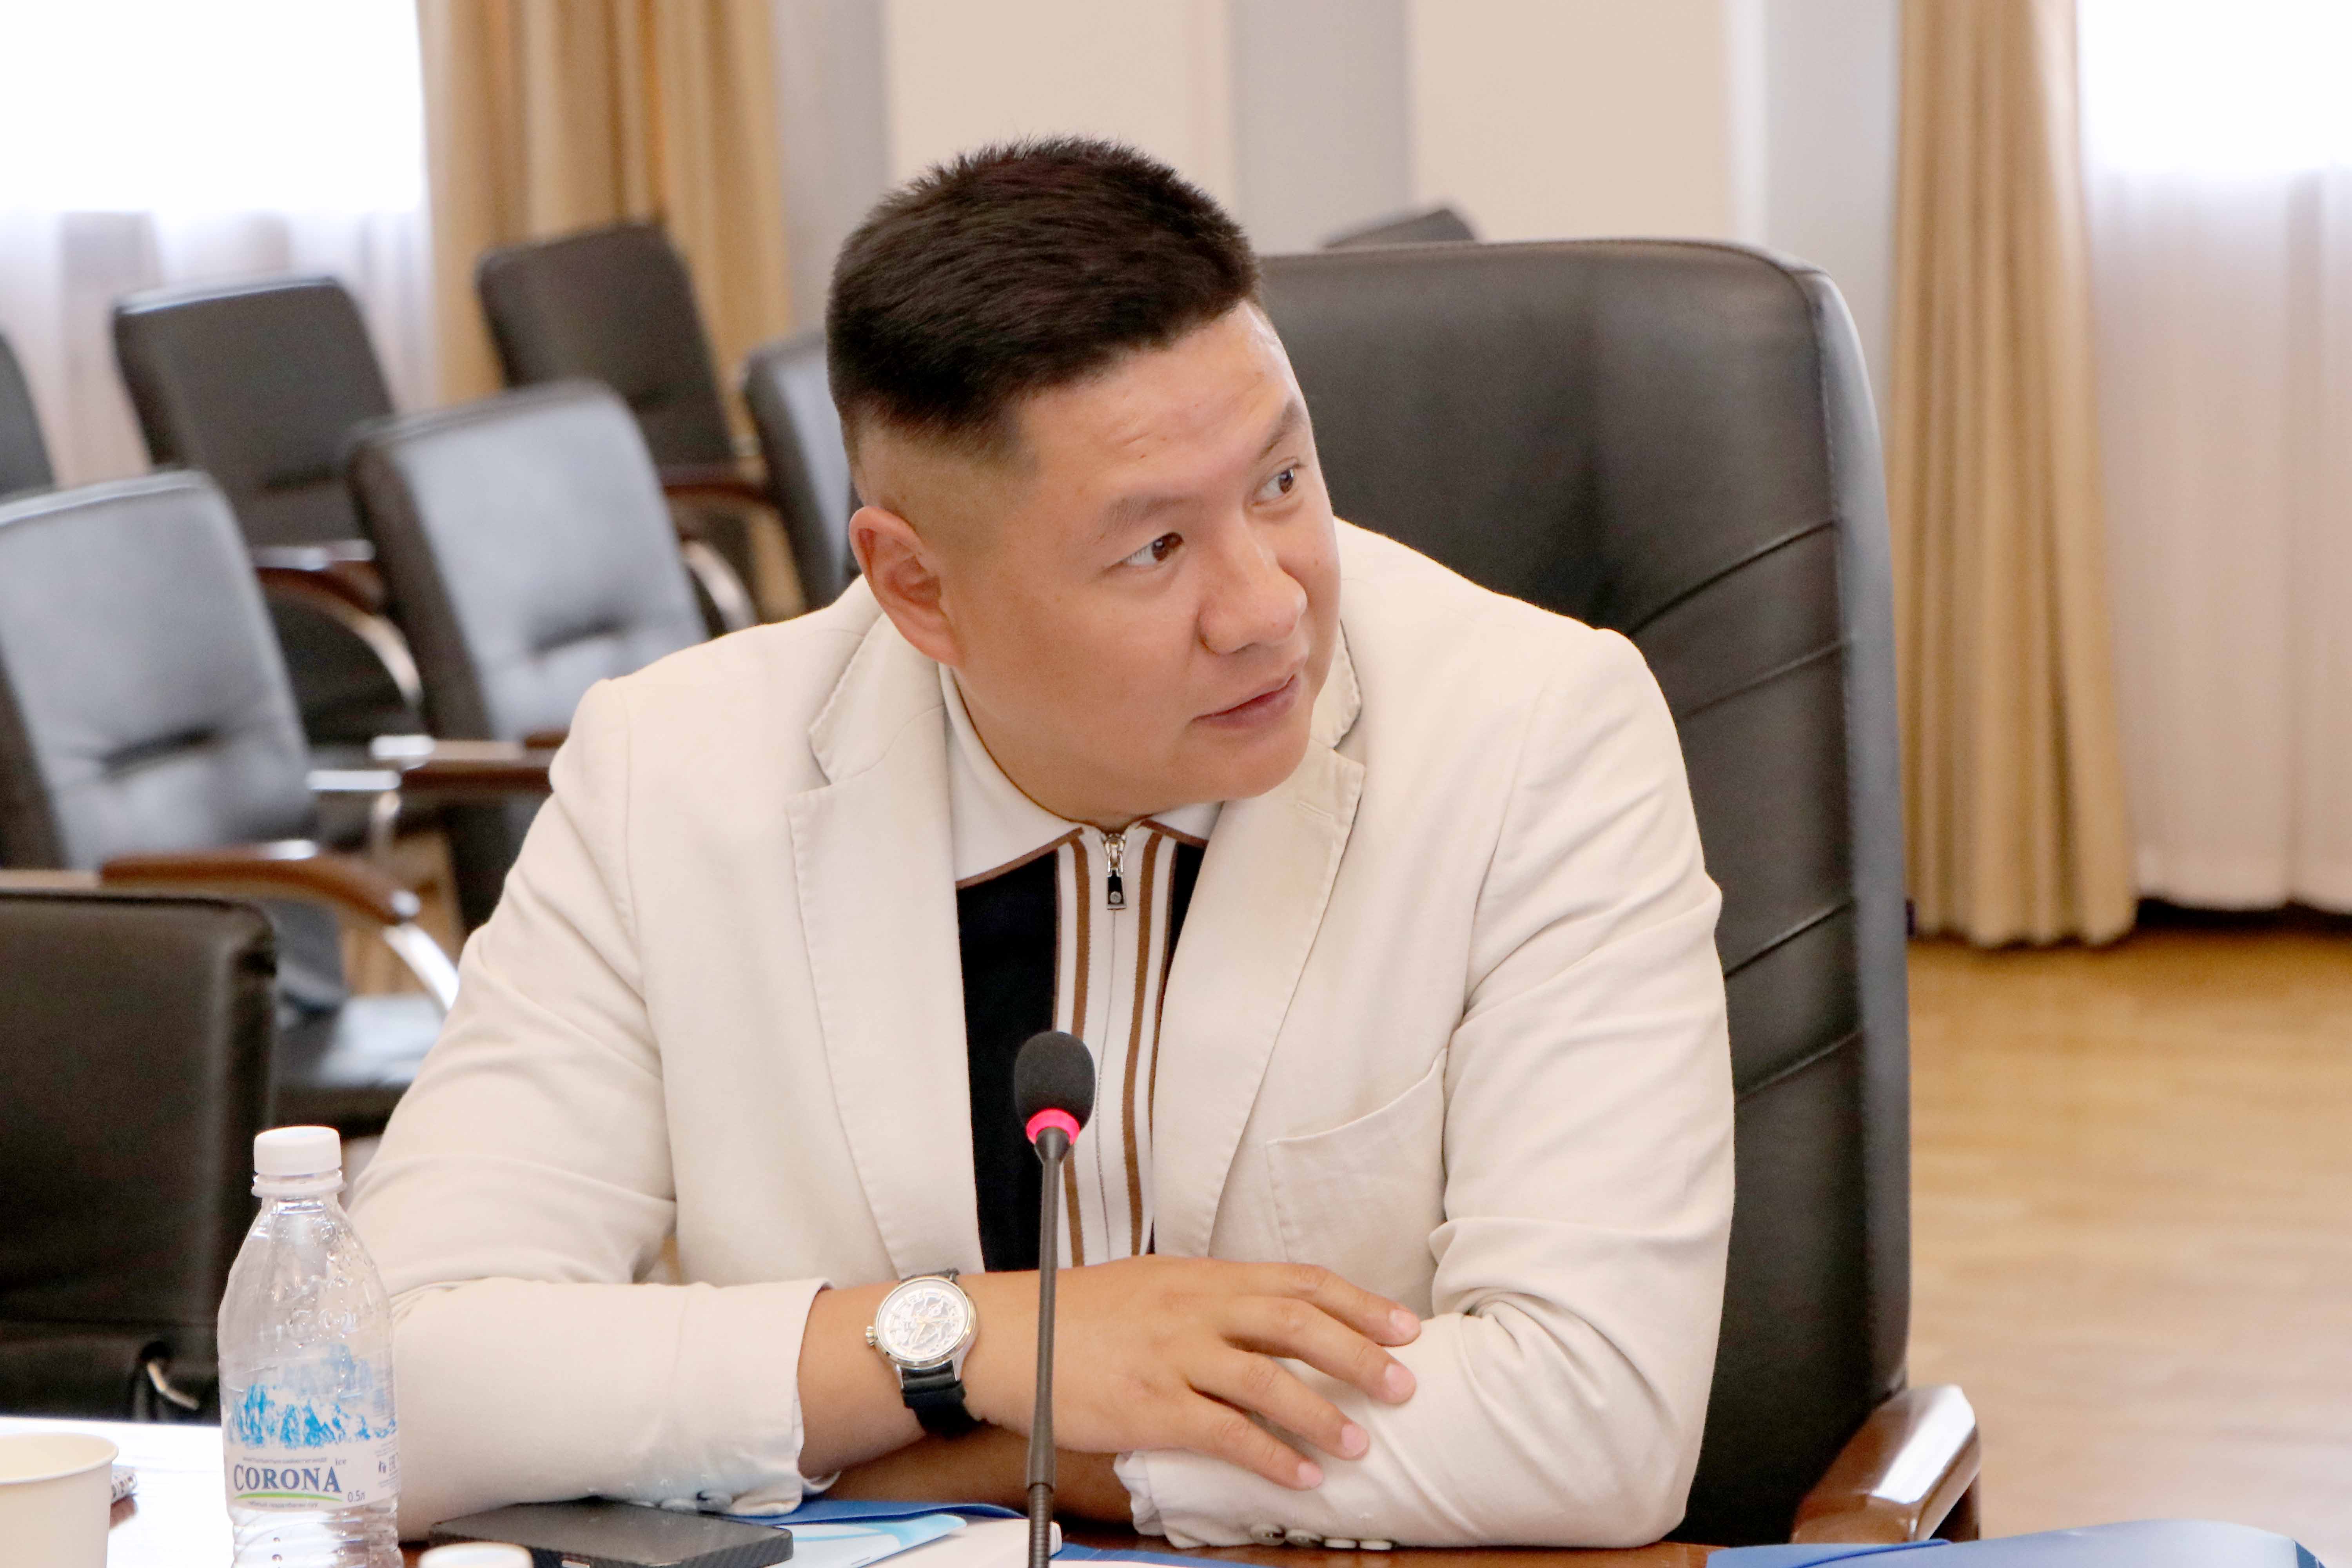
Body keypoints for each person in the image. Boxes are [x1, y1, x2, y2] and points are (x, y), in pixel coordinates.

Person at [351, 138, 1733, 1550]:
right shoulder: (675, 778)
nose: (1267, 608)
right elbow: (371, 1382)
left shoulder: (1535, 734)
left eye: (1280, 481)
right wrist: (967, 1342)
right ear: (917, 586)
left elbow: (1597, 1423)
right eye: (1154, 550)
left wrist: (974, 1456)